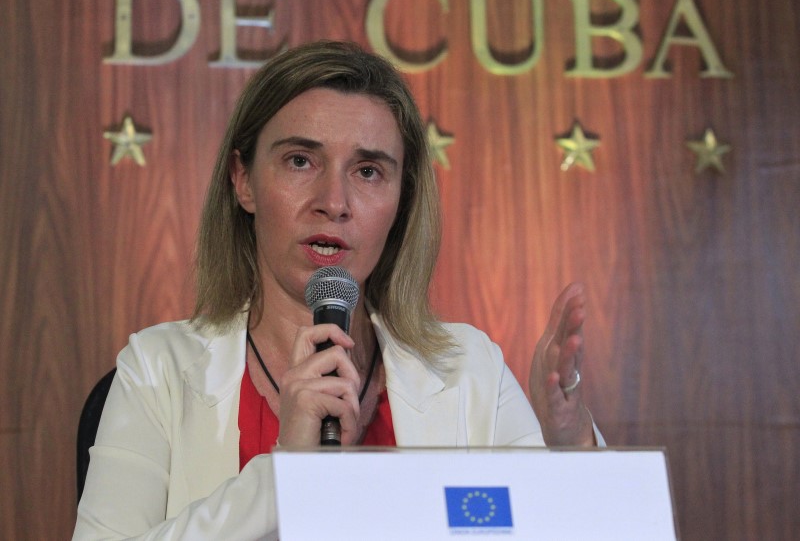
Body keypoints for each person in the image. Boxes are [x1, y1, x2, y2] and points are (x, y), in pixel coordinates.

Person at [73, 40, 601, 540]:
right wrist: (287, 475)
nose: (335, 200)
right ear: (243, 180)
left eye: (369, 171)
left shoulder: (470, 369)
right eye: (301, 160)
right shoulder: (157, 369)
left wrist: (570, 446)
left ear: (401, 202)